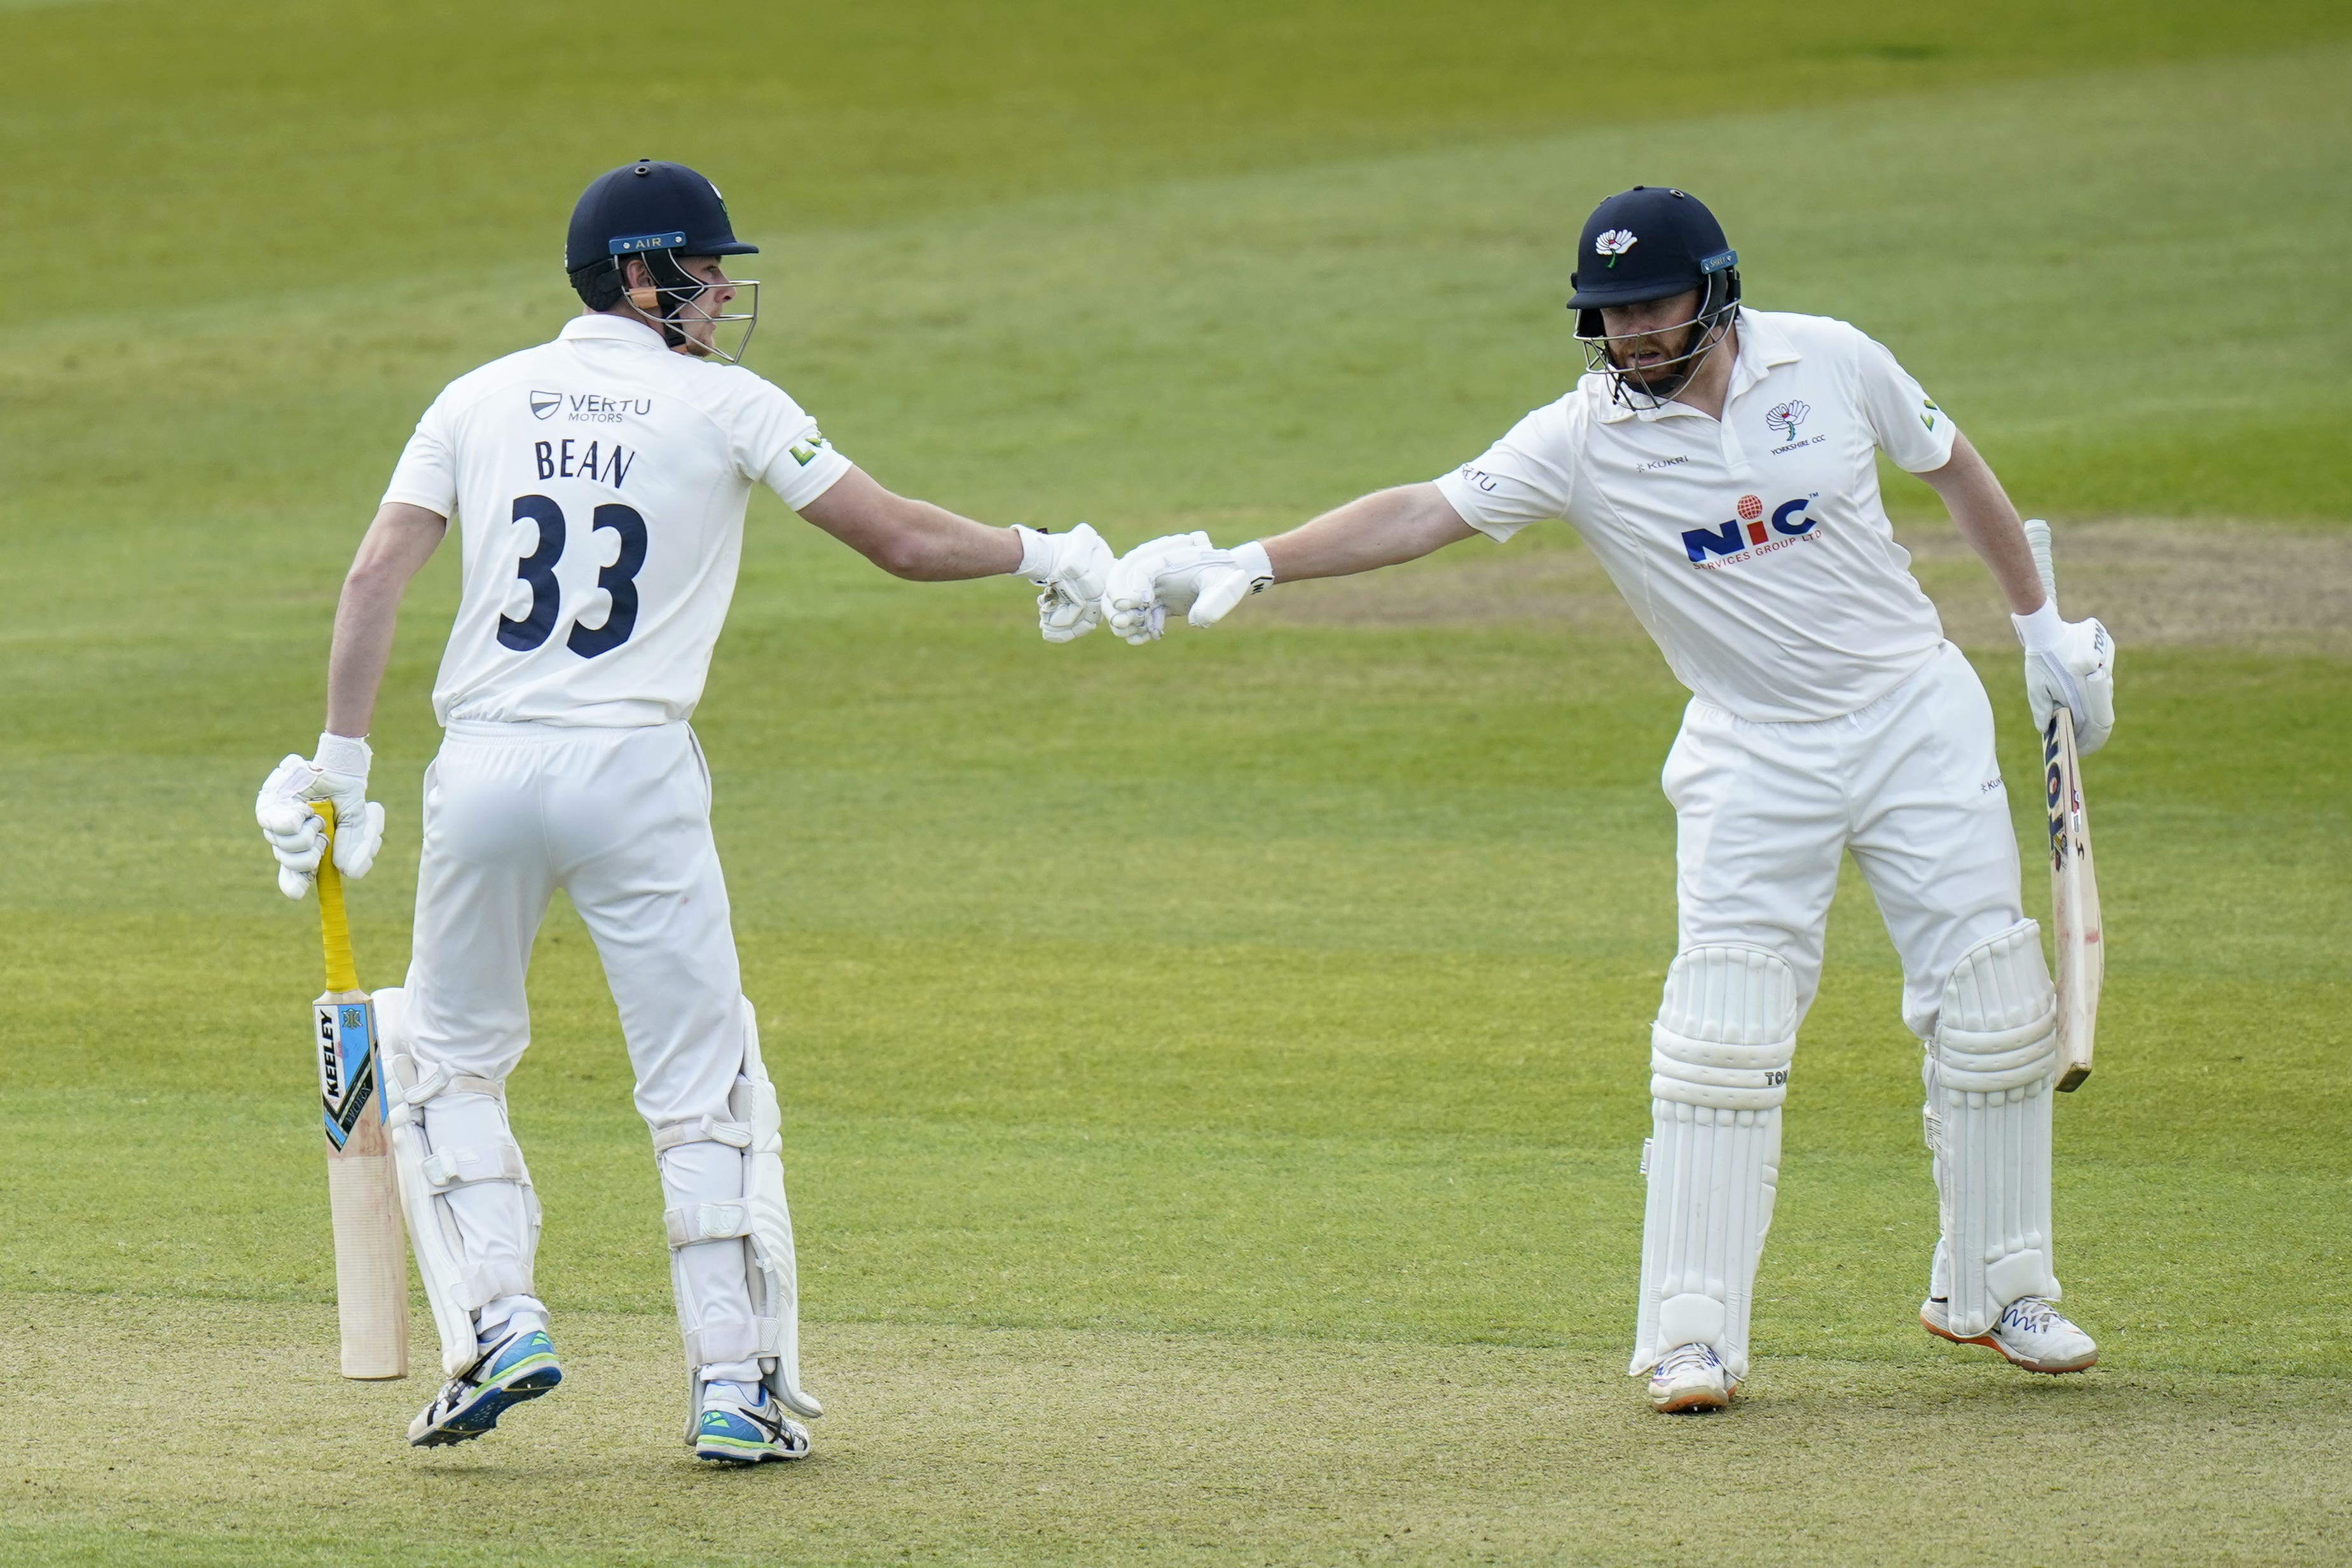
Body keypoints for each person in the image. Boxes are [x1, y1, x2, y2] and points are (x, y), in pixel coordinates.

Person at [1100, 185, 2116, 1413]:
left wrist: (2040, 628)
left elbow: (1952, 466)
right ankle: (1691, 1336)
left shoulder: (1833, 360)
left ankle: (2000, 1288)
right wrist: (1251, 563)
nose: (1630, 334)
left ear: (1717, 289)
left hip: (1916, 712)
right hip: (1754, 749)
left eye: (1651, 306)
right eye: (1609, 314)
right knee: (1723, 1036)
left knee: (1994, 1000)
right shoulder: (1582, 437)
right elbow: (1424, 508)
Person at [254, 158, 1111, 1462]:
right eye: (706, 272)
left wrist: (339, 763)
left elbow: (376, 573)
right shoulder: (728, 406)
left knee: (447, 1054)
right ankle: (733, 1385)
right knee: (699, 1085)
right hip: (633, 774)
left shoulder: (476, 397)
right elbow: (897, 538)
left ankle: (499, 1318)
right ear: (642, 277)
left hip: (480, 768)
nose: (722, 293)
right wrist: (1043, 550)